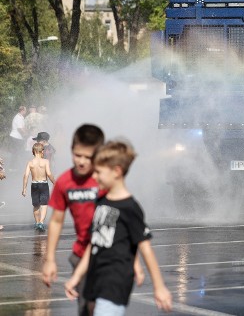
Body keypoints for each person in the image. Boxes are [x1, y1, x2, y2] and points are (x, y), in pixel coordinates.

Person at [64, 141, 172, 314]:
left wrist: (159, 287)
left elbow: (145, 247)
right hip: (95, 278)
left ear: (117, 171)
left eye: (98, 172)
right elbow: (94, 243)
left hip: (116, 281)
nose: (94, 177)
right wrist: (76, 277)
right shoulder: (101, 202)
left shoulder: (130, 207)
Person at [41, 124, 107, 316]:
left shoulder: (106, 179)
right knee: (86, 308)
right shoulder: (64, 181)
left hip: (108, 256)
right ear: (71, 151)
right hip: (81, 254)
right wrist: (50, 259)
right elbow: (56, 221)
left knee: (105, 307)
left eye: (88, 157)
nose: (82, 162)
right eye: (78, 155)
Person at [22, 143, 56, 231]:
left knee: (36, 205)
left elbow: (26, 175)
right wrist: (54, 182)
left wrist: (24, 189)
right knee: (44, 205)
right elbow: (48, 173)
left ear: (33, 151)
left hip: (34, 185)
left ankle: (37, 222)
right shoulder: (45, 161)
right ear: (42, 152)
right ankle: (41, 222)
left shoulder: (30, 163)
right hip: (43, 184)